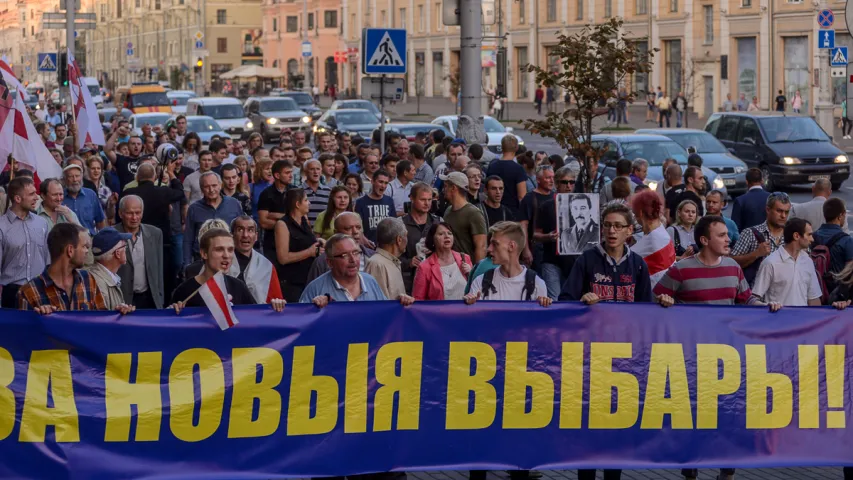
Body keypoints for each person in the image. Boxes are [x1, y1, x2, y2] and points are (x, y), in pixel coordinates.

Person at [560, 202, 672, 304]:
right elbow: (565, 300)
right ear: (602, 228)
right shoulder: (586, 259)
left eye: (618, 226)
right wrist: (582, 299)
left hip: (626, 325)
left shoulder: (638, 264)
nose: (612, 231)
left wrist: (663, 303)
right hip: (594, 324)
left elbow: (645, 306)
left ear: (629, 230)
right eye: (607, 225)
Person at [18, 223, 133, 315]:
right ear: (70, 250)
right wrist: (38, 319)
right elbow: (22, 339)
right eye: (84, 246)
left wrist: (117, 314)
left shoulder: (88, 280)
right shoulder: (28, 292)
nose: (87, 251)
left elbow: (101, 323)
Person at [170, 228, 285, 314]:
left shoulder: (238, 286)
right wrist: (172, 313)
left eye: (230, 250)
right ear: (204, 253)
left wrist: (273, 308)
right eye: (219, 249)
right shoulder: (184, 291)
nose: (226, 255)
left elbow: (256, 318)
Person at [300, 233, 414, 307]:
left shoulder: (371, 282)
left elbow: (385, 316)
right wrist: (314, 308)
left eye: (356, 253)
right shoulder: (315, 288)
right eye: (344, 255)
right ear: (330, 262)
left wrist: (399, 304)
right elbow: (301, 323)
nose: (353, 260)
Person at [464, 221, 550, 306]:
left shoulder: (536, 284)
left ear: (511, 246)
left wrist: (543, 305)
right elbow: (472, 318)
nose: (489, 249)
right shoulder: (481, 282)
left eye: (495, 244)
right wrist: (471, 307)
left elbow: (540, 319)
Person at [0, 177, 50, 308]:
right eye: (31, 194)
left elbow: (47, 260)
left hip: (40, 291)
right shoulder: (1, 227)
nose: (36, 197)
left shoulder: (42, 223)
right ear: (17, 199)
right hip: (10, 293)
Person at [751, 218, 821, 306]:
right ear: (796, 236)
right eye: (809, 235)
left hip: (803, 319)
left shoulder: (808, 261)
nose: (812, 239)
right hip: (778, 319)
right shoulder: (770, 263)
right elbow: (753, 299)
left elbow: (814, 299)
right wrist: (767, 306)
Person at [183, 172, 244, 266]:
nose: (211, 190)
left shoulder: (234, 204)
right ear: (201, 189)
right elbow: (188, 238)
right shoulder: (194, 208)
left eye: (214, 185)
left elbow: (240, 232)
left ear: (220, 185)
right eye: (206, 187)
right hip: (202, 260)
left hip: (229, 259)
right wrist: (187, 264)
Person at [275, 188, 325, 302]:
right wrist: (310, 252)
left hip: (309, 277)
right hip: (292, 283)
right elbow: (283, 258)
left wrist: (320, 242)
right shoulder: (282, 224)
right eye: (306, 200)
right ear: (297, 204)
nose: (309, 203)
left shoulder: (304, 220)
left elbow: (308, 242)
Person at [535, 166, 577, 299]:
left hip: (574, 262)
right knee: (554, 300)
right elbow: (535, 235)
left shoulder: (582, 205)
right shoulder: (546, 206)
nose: (569, 186)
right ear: (557, 184)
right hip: (551, 261)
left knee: (572, 299)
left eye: (572, 182)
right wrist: (548, 237)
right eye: (565, 182)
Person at [115, 195, 164, 309]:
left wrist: (160, 299)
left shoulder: (155, 233)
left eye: (138, 213)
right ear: (120, 213)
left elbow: (159, 269)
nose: (134, 217)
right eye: (130, 213)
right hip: (122, 301)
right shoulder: (112, 235)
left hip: (149, 299)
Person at [731, 192, 790, 286]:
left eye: (786, 212)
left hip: (785, 295)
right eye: (779, 211)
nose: (783, 216)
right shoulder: (750, 234)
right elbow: (732, 264)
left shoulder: (792, 236)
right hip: (755, 295)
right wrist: (756, 254)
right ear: (768, 209)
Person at [306, 211, 375, 284]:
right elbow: (313, 292)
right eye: (348, 228)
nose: (355, 232)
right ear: (336, 232)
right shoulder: (322, 262)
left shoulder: (373, 257)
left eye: (358, 227)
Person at [229, 215, 283, 304]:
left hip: (258, 317)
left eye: (250, 230)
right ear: (232, 235)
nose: (245, 235)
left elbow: (277, 301)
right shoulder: (221, 262)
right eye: (240, 230)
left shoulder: (267, 267)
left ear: (256, 236)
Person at [413, 222, 473, 301]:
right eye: (441, 234)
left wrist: (471, 273)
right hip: (438, 312)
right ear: (432, 240)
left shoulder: (465, 258)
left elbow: (476, 290)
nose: (447, 236)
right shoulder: (424, 267)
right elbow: (418, 300)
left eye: (449, 233)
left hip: (465, 312)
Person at [631, 190, 676, 287]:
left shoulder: (653, 239)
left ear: (641, 213)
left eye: (635, 214)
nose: (634, 217)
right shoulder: (661, 232)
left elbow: (624, 258)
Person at [401, 183, 440, 294]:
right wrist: (409, 262)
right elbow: (392, 257)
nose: (427, 203)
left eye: (429, 199)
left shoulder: (438, 222)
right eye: (422, 199)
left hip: (434, 279)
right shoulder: (400, 224)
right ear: (412, 198)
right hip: (409, 282)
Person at [441, 171, 488, 263]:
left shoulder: (474, 213)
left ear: (453, 188)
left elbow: (481, 246)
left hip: (466, 268)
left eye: (446, 186)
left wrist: (475, 273)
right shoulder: (448, 210)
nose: (443, 190)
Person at [364, 217, 412, 301]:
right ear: (399, 240)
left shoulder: (392, 262)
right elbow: (376, 303)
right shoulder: (377, 264)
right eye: (406, 236)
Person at [86, 227, 132, 309]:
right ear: (117, 253)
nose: (126, 250)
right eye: (125, 246)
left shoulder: (103, 278)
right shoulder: (99, 285)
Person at [257, 160, 294, 262]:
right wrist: (289, 221)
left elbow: (301, 218)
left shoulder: (295, 192)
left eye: (291, 172)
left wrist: (274, 215)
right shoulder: (266, 194)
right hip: (271, 244)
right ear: (277, 175)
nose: (291, 176)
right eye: (287, 173)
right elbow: (263, 222)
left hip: (294, 242)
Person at [519, 165, 554, 268]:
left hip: (552, 250)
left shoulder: (555, 196)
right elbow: (523, 225)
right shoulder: (529, 198)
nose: (551, 181)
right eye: (548, 178)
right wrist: (525, 250)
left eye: (553, 177)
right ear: (538, 180)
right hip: (536, 248)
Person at [486, 136, 527, 216]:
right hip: (512, 212)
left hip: (494, 209)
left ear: (502, 147)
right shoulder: (518, 169)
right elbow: (522, 196)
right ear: (516, 148)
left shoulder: (492, 166)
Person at [813, 197, 853, 280]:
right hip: (837, 289)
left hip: (817, 286)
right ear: (840, 216)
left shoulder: (812, 237)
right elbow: (850, 272)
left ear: (824, 215)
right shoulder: (847, 241)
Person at [355, 170, 396, 244]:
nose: (383, 186)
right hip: (367, 246)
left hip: (386, 246)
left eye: (386, 183)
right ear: (372, 181)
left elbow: (393, 224)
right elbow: (357, 227)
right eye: (380, 182)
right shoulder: (360, 202)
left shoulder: (389, 201)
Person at [62, 164, 106, 235]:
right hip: (67, 241)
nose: (75, 179)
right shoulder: (60, 197)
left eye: (77, 176)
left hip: (89, 241)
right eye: (71, 176)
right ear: (65, 179)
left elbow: (100, 221)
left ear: (82, 177)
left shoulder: (91, 194)